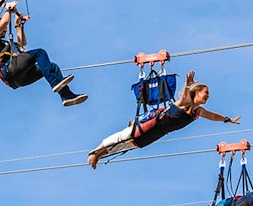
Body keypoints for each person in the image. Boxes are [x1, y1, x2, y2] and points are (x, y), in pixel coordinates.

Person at [87, 72, 238, 169]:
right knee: (124, 136)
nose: (208, 95)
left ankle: (99, 156)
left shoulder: (198, 111)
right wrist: (187, 84)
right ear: (197, 92)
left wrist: (227, 120)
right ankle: (94, 152)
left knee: (130, 145)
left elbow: (212, 116)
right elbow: (184, 96)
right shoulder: (186, 103)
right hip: (152, 123)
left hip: (160, 132)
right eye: (206, 92)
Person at [0, 2, 87, 107]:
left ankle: (67, 96)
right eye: (3, 29)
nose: (5, 30)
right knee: (40, 53)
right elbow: (5, 21)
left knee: (52, 67)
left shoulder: (5, 45)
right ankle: (54, 81)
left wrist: (17, 25)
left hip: (17, 79)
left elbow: (22, 43)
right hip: (8, 70)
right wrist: (8, 10)